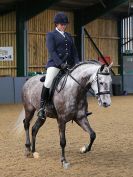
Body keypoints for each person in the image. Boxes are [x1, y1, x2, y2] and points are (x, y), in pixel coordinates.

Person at [38, 12, 91, 119]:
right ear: (56, 24)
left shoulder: (68, 36)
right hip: (55, 64)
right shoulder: (51, 35)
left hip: (69, 65)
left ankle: (82, 108)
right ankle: (42, 108)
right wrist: (60, 64)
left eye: (65, 24)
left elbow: (74, 52)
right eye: (62, 24)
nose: (64, 26)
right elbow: (52, 52)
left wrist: (77, 65)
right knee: (48, 81)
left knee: (80, 83)